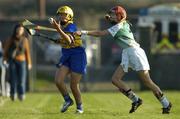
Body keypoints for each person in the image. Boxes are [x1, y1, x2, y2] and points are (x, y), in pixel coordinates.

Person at [75, 6, 172, 114]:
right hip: (127, 52)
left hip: (135, 53)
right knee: (115, 79)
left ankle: (166, 104)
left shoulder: (119, 26)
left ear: (120, 16)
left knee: (147, 81)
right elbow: (115, 23)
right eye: (111, 14)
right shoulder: (122, 23)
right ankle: (136, 100)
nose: (111, 16)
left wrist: (83, 32)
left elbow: (100, 33)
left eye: (113, 14)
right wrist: (111, 18)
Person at [50, 6, 87, 114]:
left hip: (77, 55)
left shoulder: (71, 26)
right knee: (58, 80)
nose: (61, 16)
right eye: (60, 14)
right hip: (66, 55)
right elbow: (65, 40)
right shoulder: (63, 27)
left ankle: (79, 107)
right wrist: (59, 40)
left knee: (73, 85)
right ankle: (68, 100)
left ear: (70, 16)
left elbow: (70, 40)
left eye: (64, 14)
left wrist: (58, 29)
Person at [3, 24, 32, 101]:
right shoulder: (11, 39)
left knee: (21, 79)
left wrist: (29, 63)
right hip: (12, 61)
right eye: (18, 29)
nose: (19, 31)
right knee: (13, 78)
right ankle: (13, 94)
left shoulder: (25, 40)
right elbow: (5, 50)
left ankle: (21, 94)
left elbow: (27, 52)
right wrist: (5, 60)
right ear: (16, 30)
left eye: (21, 30)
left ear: (23, 31)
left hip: (22, 61)